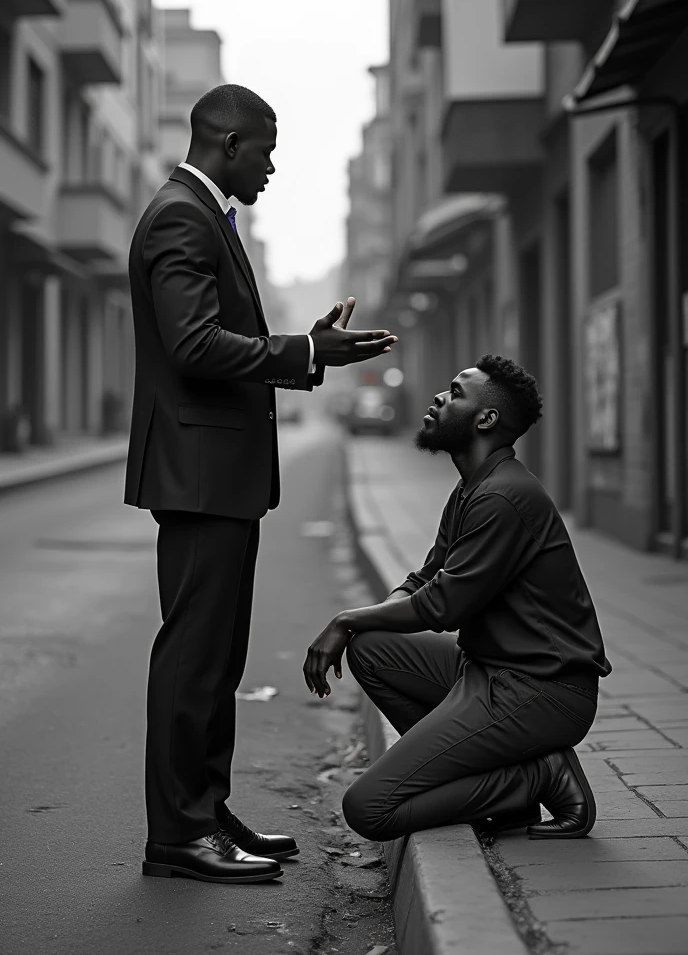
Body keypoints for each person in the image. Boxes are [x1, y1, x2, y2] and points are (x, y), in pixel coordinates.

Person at [124, 83, 398, 885]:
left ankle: (204, 813)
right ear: (230, 143)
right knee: (193, 658)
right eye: (268, 149)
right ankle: (178, 835)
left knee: (218, 658)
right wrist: (303, 357)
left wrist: (304, 346)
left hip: (219, 476)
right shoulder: (181, 214)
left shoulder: (205, 214)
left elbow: (216, 336)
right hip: (199, 474)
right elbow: (193, 345)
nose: (274, 166)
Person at [304, 354, 611, 843]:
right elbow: (423, 578)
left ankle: (538, 776)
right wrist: (365, 624)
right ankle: (487, 777)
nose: (439, 398)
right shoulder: (474, 487)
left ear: (485, 419)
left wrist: (346, 618)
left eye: (455, 392)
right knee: (371, 648)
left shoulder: (502, 497)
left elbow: (442, 606)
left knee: (369, 808)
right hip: (488, 671)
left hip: (543, 692)